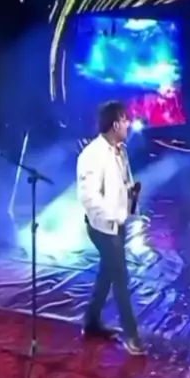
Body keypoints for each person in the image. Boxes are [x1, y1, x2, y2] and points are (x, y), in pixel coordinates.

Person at [76, 101, 145, 355]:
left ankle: (91, 322)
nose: (129, 124)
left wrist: (130, 195)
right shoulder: (92, 155)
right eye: (125, 120)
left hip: (118, 224)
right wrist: (114, 215)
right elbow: (89, 198)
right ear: (115, 124)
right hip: (103, 228)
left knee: (107, 274)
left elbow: (121, 183)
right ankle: (132, 335)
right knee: (120, 278)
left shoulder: (120, 151)